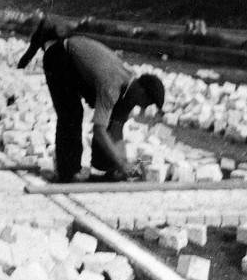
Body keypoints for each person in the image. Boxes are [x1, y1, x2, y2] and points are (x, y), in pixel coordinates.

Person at [22, 33, 165, 183]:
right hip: (59, 56)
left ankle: (106, 169)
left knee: (112, 118)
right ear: (141, 92)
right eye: (145, 103)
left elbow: (117, 127)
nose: (142, 107)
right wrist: (122, 164)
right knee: (72, 113)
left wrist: (122, 164)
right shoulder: (112, 86)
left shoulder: (130, 91)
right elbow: (99, 130)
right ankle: (67, 173)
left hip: (81, 67)